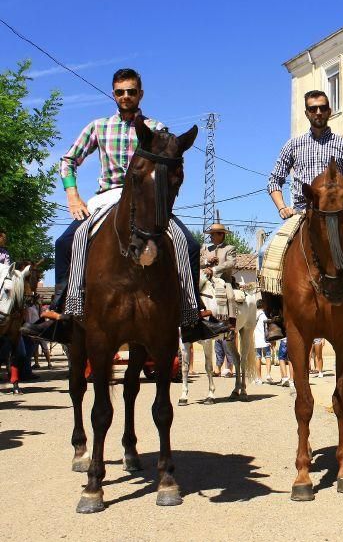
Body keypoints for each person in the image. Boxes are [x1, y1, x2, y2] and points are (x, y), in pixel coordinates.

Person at [21, 68, 227, 344]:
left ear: (140, 94)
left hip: (148, 200)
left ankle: (192, 315)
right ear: (113, 94)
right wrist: (72, 196)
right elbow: (67, 160)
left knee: (188, 244)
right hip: (108, 196)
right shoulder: (98, 127)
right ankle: (62, 311)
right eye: (120, 92)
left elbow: (169, 166)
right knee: (66, 241)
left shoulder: (156, 129)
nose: (126, 96)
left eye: (131, 91)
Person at [263, 89, 343, 337]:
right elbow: (274, 181)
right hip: (301, 212)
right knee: (264, 252)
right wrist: (282, 207)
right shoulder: (293, 145)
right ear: (307, 113)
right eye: (312, 108)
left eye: (322, 107)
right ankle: (275, 318)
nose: (318, 112)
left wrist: (339, 199)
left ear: (329, 110)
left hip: (338, 213)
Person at [253, 300, 273, 384]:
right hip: (265, 339)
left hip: (256, 339)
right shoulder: (264, 316)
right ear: (263, 306)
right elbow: (267, 328)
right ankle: (268, 374)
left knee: (258, 357)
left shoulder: (254, 315)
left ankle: (259, 377)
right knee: (268, 356)